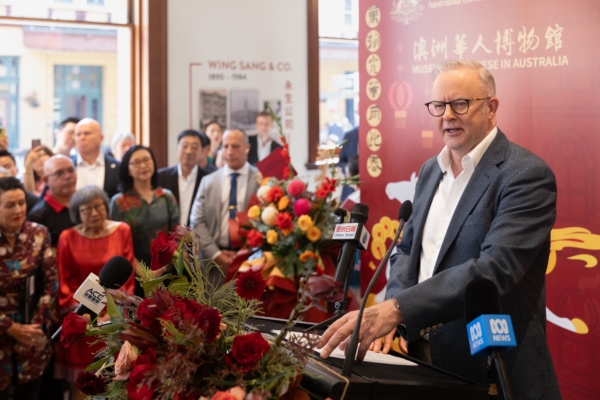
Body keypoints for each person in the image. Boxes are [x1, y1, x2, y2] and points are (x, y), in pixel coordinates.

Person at [318, 60, 561, 399]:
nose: (447, 116)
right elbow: (407, 250)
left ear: (491, 107)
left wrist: (397, 309)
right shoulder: (431, 170)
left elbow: (494, 270)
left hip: (489, 366)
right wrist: (396, 309)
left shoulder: (525, 175)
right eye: (439, 105)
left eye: (460, 104)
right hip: (419, 354)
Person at [54, 186, 134, 400]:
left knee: (116, 383)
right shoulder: (67, 237)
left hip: (114, 320)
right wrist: (86, 315)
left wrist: (110, 313)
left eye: (98, 206)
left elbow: (127, 278)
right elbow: (63, 281)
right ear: (77, 213)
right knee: (83, 385)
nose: (94, 213)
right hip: (82, 319)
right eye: (87, 209)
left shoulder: (122, 230)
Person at [0, 177, 57, 399]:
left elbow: (51, 283)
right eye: (9, 205)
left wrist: (34, 327)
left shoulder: (39, 233)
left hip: (33, 334)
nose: (18, 210)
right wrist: (10, 327)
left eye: (21, 203)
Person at [190, 129, 260, 285]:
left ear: (247, 147)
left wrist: (244, 253)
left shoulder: (261, 180)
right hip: (214, 263)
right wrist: (217, 255)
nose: (229, 152)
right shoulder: (209, 182)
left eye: (235, 146)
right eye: (225, 146)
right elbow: (197, 221)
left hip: (252, 261)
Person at [109, 146, 179, 295]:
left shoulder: (166, 197)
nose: (143, 165)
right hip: (132, 275)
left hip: (166, 272)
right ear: (127, 169)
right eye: (136, 162)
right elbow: (118, 243)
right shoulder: (119, 202)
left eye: (147, 160)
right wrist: (143, 272)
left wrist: (163, 268)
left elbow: (177, 236)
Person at [157, 130, 210, 226]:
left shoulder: (209, 179)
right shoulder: (161, 177)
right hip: (167, 233)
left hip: (197, 234)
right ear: (177, 149)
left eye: (194, 147)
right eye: (184, 146)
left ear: (202, 152)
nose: (189, 151)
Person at [28, 155, 77, 247]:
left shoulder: (87, 202)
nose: (68, 176)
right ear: (46, 180)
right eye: (59, 173)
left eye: (71, 170)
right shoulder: (38, 215)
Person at [73, 118, 121, 198]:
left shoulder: (117, 167)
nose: (82, 138)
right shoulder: (68, 166)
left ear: (101, 137)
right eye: (78, 134)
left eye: (87, 133)